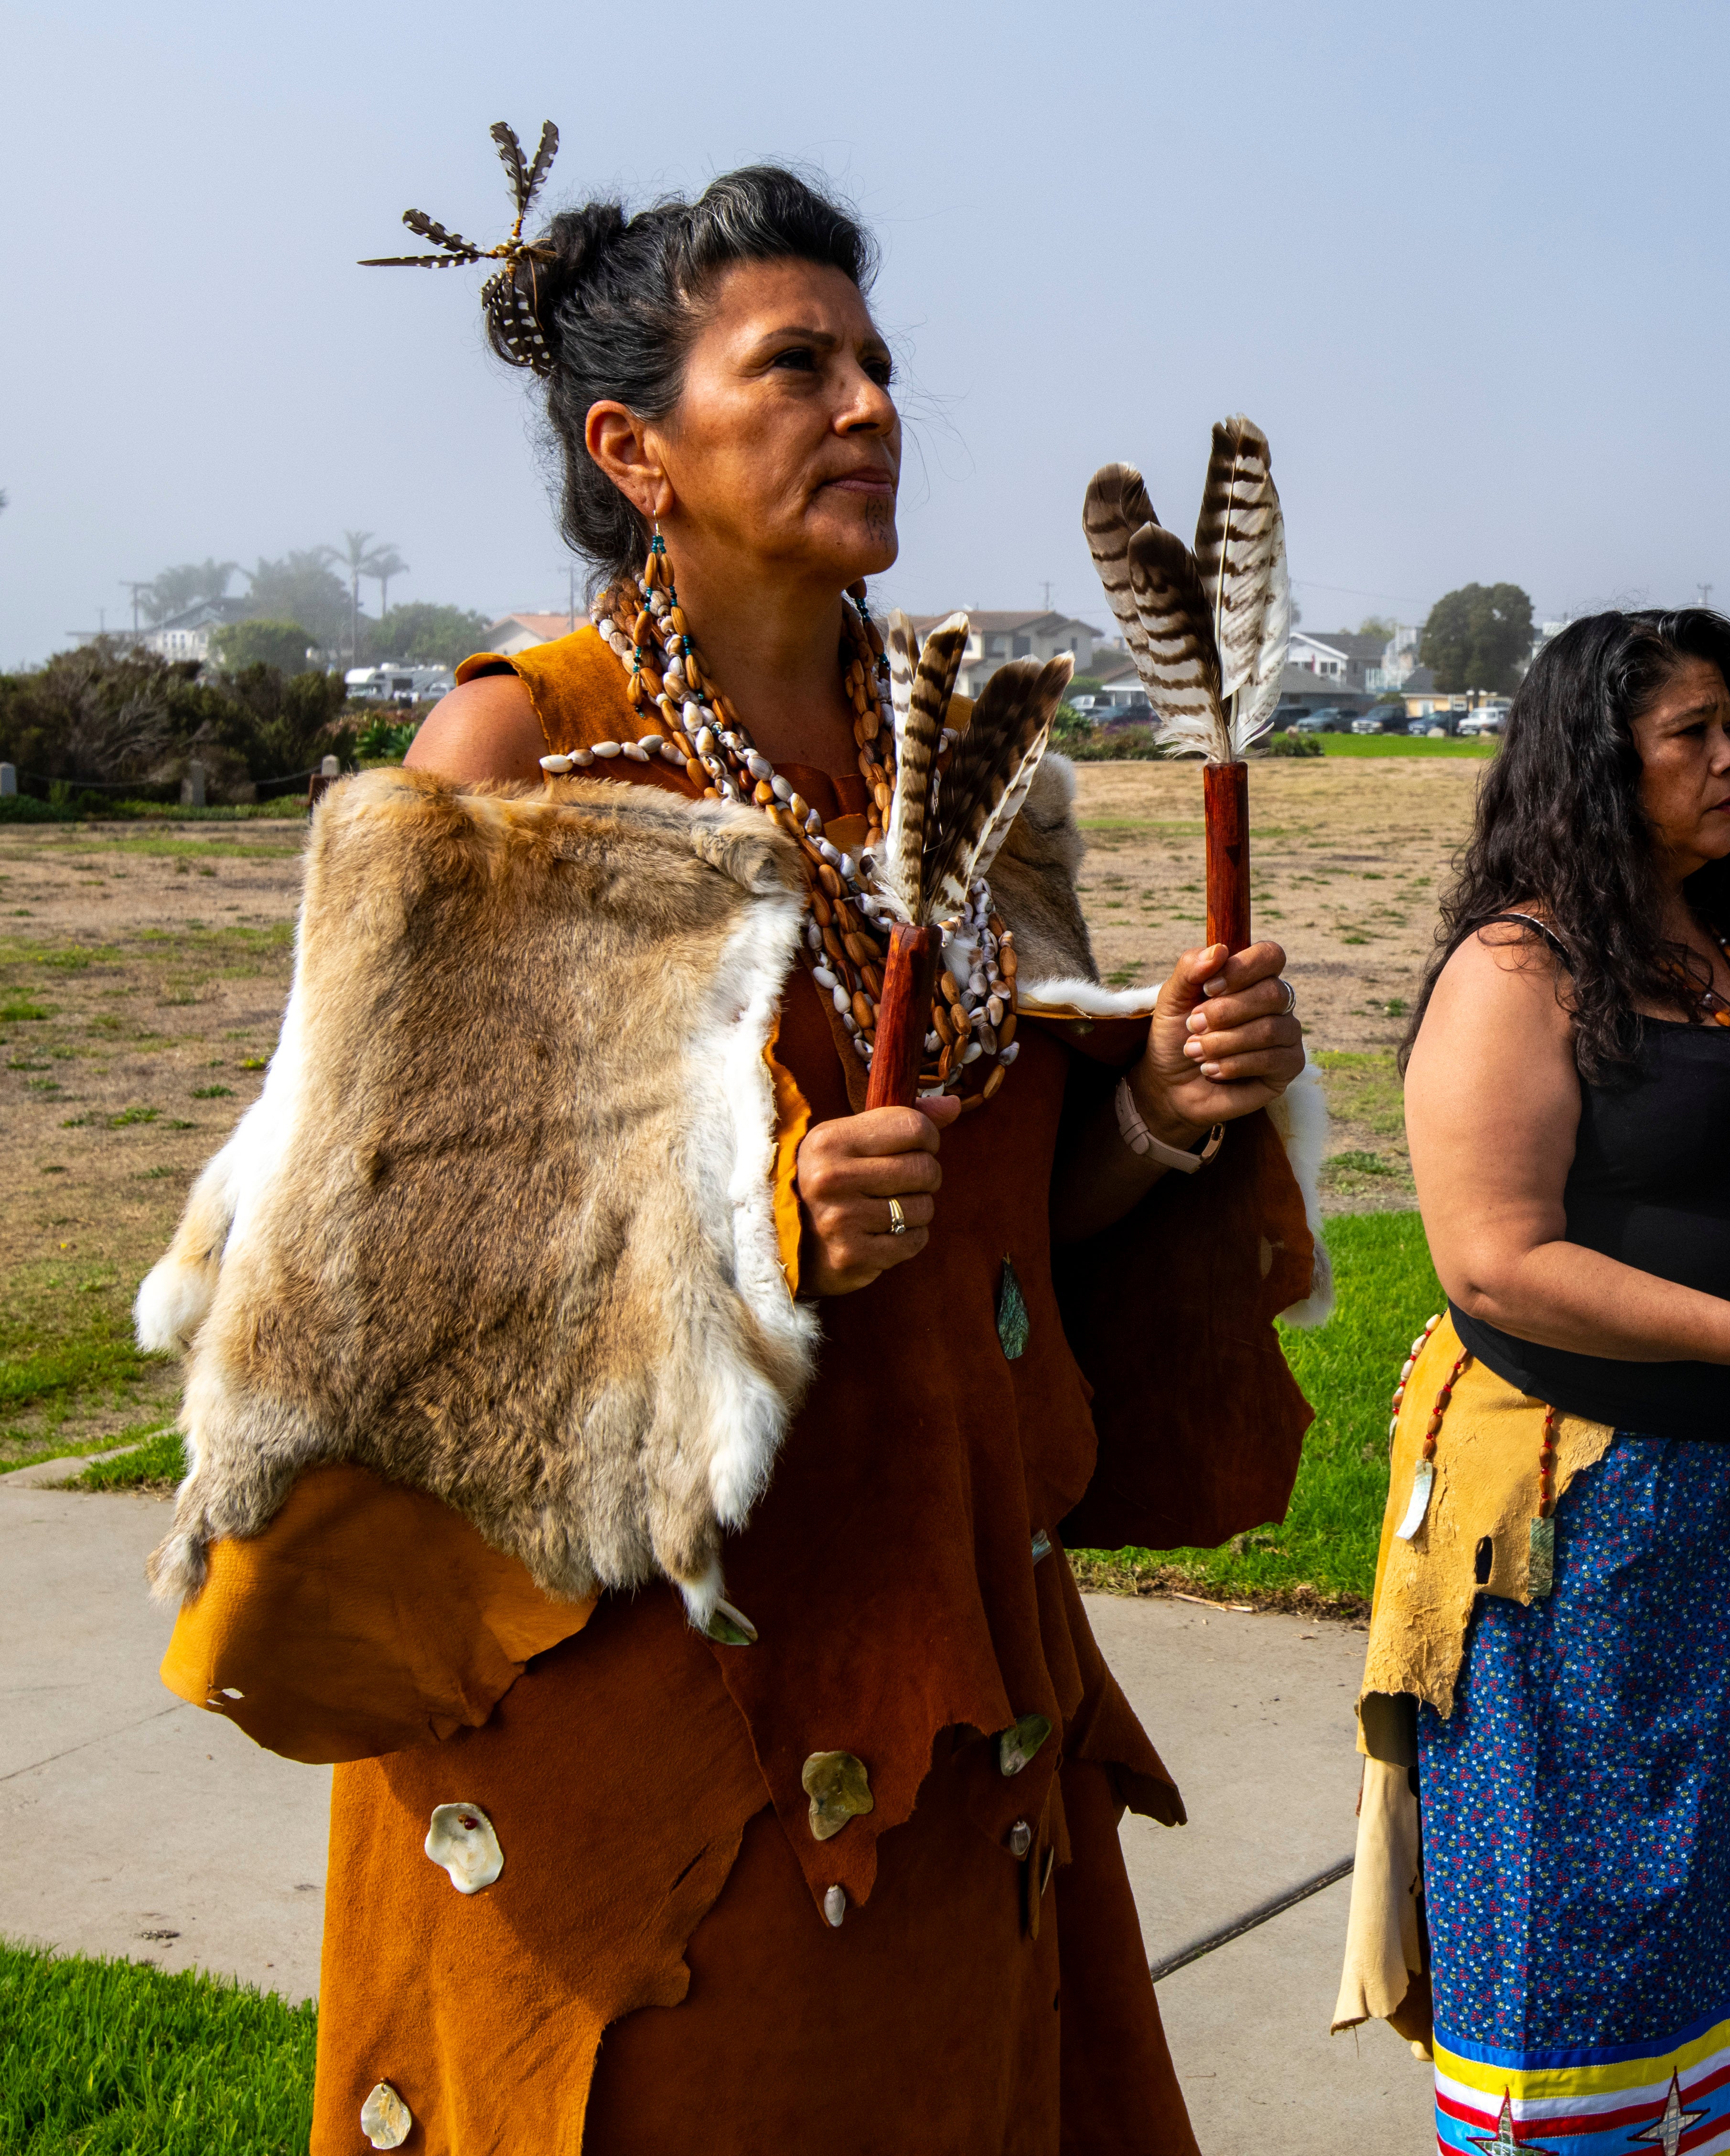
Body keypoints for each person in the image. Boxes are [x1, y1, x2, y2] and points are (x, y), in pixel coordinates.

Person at [143, 136, 1318, 2151]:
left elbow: (1009, 1238)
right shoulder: (523, 756)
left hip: (954, 1671)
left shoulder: (971, 773)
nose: (869, 406)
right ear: (637, 449)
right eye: (794, 368)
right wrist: (761, 1237)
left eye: (872, 364)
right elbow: (391, 1308)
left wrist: (1150, 1113)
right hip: (658, 1723)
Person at [1338, 610, 1730, 2147]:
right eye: (1694, 735)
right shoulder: (1515, 969)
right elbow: (1493, 1259)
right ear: (1596, 768)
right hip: (1593, 1536)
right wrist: (1728, 1334)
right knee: (1593, 1904)